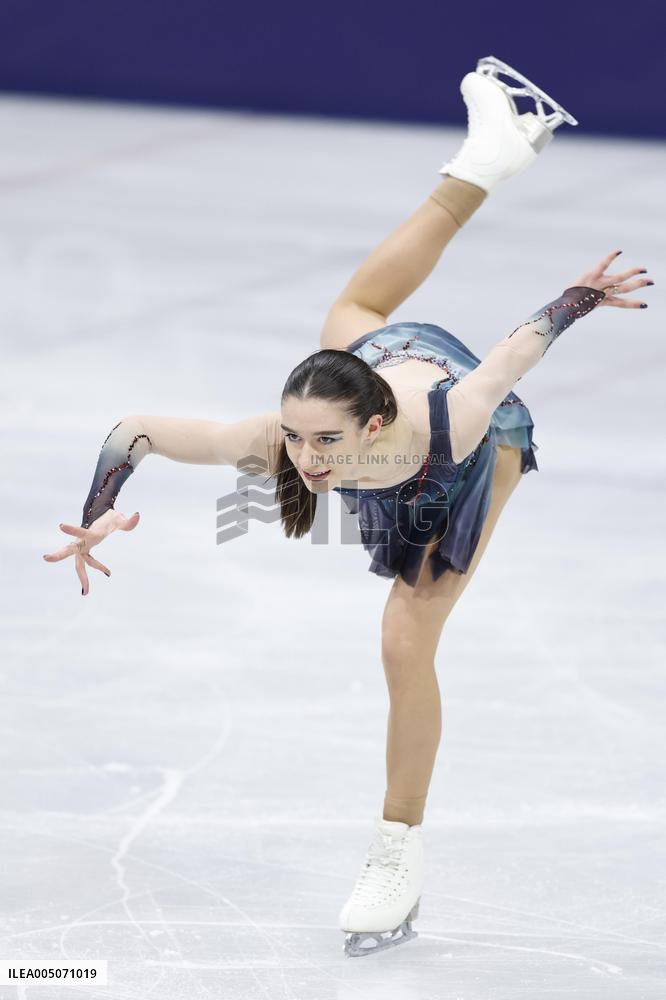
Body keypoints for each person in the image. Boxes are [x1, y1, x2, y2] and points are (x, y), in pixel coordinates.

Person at [42, 56, 653, 958]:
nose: (304, 460)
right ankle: (485, 159)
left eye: (324, 443)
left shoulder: (453, 421)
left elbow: (514, 354)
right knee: (357, 309)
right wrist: (97, 506)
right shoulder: (293, 432)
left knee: (406, 633)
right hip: (390, 357)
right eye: (295, 438)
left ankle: (397, 849)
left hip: (472, 445)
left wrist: (580, 298)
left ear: (369, 424)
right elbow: (136, 430)